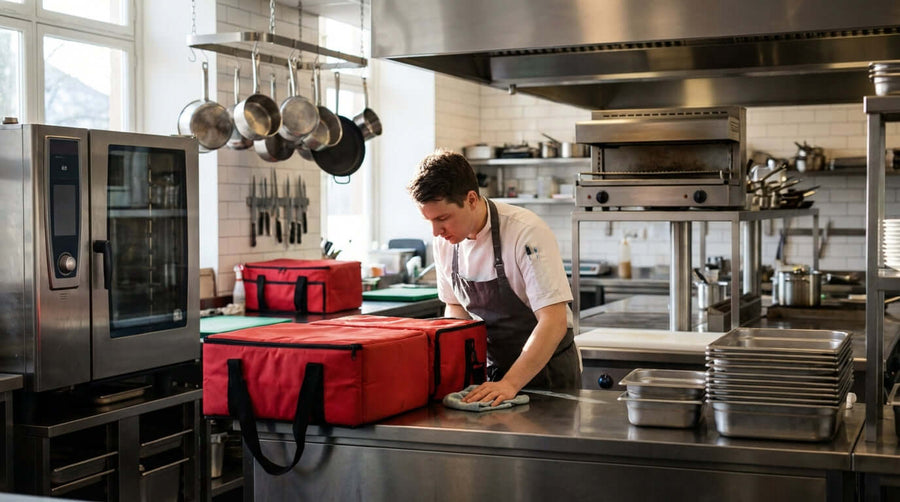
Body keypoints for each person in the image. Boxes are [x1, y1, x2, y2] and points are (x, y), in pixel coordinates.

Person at [407, 149, 581, 407]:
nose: (436, 231)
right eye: (429, 220)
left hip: (548, 376)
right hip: (494, 378)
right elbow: (455, 308)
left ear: (471, 199)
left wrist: (510, 383)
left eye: (443, 218)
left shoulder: (525, 232)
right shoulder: (445, 242)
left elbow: (553, 322)